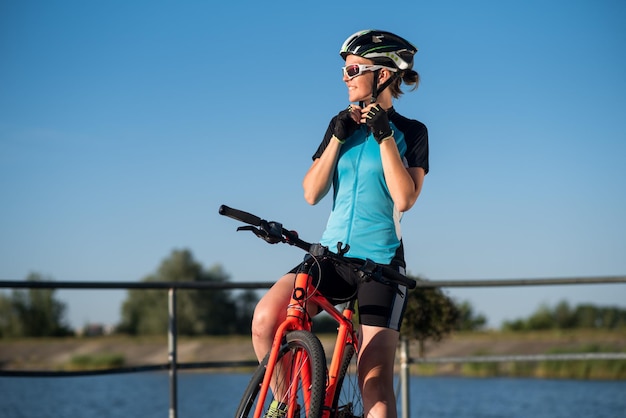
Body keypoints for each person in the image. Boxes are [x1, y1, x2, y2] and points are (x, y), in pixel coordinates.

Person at [252, 29, 429, 418]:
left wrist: (383, 136)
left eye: (353, 69)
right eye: (344, 71)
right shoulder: (340, 127)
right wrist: (335, 137)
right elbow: (311, 193)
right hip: (330, 256)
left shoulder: (411, 133)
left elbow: (405, 198)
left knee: (374, 380)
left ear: (382, 74)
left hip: (380, 265)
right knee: (267, 319)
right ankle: (288, 406)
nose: (345, 78)